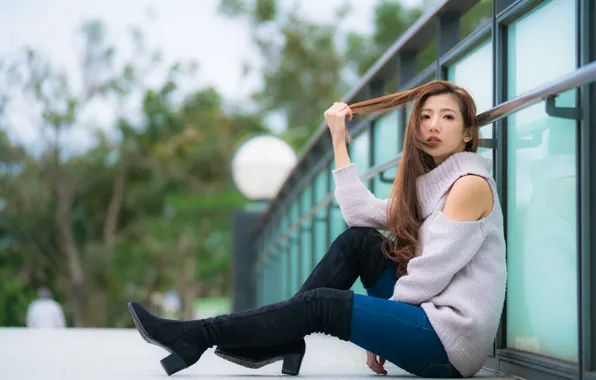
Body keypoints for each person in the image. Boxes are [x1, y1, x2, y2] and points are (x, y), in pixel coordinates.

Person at [128, 80, 507, 378]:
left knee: (321, 304)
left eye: (447, 117)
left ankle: (196, 335)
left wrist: (384, 324)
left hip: (448, 342)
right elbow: (359, 214)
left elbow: (430, 274)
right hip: (428, 315)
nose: (433, 126)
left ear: (468, 133)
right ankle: (283, 339)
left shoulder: (469, 185)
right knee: (358, 242)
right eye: (425, 116)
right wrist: (339, 139)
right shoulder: (435, 182)